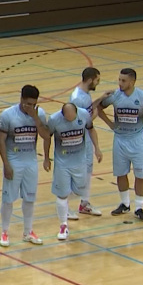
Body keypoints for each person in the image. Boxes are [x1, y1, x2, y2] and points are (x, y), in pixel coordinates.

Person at [97, 68, 143, 221]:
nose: (120, 83)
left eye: (123, 80)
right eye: (119, 80)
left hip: (138, 141)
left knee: (140, 175)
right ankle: (124, 203)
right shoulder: (114, 96)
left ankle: (139, 207)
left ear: (132, 82)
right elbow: (99, 108)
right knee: (121, 173)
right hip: (120, 140)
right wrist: (109, 123)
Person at [0, 86, 50, 246]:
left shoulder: (39, 114)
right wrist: (6, 164)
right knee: (8, 198)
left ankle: (28, 231)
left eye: (33, 104)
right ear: (21, 99)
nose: (30, 107)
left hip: (30, 161)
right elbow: (0, 140)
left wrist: (35, 118)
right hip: (14, 161)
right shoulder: (7, 115)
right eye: (27, 104)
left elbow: (46, 135)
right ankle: (4, 232)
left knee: (30, 197)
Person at [43, 103, 102, 240]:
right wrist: (46, 158)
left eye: (73, 118)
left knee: (80, 190)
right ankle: (63, 225)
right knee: (62, 195)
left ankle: (65, 204)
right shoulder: (54, 120)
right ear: (62, 114)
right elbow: (47, 138)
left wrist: (97, 148)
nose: (70, 121)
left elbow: (91, 129)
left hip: (80, 161)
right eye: (67, 119)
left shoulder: (84, 115)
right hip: (62, 163)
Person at [69, 66, 111, 216]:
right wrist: (93, 116)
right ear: (90, 79)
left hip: (86, 139)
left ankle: (84, 204)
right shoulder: (77, 98)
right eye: (97, 80)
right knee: (78, 175)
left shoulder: (85, 95)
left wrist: (100, 99)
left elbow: (88, 111)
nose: (98, 83)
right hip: (78, 141)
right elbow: (76, 122)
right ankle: (64, 205)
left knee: (87, 172)